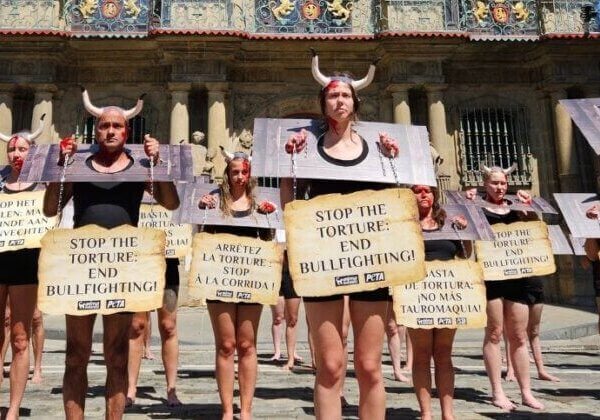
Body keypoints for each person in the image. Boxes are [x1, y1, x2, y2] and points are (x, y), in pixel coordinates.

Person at [43, 89, 179, 420]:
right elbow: (50, 209)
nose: (111, 131)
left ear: (126, 131)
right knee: (75, 354)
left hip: (122, 272)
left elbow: (171, 202)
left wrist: (157, 163)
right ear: (96, 130)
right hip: (80, 271)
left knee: (117, 355)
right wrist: (60, 168)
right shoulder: (77, 165)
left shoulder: (139, 166)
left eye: (117, 126)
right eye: (104, 126)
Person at [281, 50, 398, 419]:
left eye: (346, 94)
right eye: (333, 94)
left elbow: (399, 200)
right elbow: (291, 200)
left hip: (370, 258)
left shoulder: (379, 148)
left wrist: (394, 161)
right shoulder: (306, 146)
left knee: (368, 367)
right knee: (330, 366)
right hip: (322, 261)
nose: (340, 99)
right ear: (323, 102)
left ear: (355, 101)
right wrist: (289, 164)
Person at [198, 148, 276, 420]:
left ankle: (246, 410)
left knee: (247, 344)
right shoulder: (215, 201)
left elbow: (269, 241)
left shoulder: (261, 203)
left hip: (251, 278)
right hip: (219, 279)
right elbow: (202, 234)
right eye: (235, 172)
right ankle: (227, 410)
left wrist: (270, 218)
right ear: (227, 174)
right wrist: (202, 207)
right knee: (226, 345)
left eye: (244, 172)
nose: (240, 177)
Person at [466, 164, 545, 411]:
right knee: (494, 332)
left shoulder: (516, 208)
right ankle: (497, 392)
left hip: (517, 277)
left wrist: (528, 206)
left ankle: (526, 392)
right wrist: (467, 204)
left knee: (519, 336)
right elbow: (465, 231)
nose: (499, 187)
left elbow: (534, 230)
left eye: (502, 183)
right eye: (494, 183)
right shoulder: (477, 208)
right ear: (485, 184)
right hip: (491, 277)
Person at [408, 184, 470, 420]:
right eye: (417, 190)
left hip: (447, 295)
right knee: (422, 355)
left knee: (444, 354)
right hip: (416, 296)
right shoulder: (404, 224)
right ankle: (426, 414)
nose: (424, 195)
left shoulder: (448, 222)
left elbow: (465, 255)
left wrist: (464, 232)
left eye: (428, 190)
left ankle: (448, 414)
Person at [0, 116, 46, 419]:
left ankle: (14, 409)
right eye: (12, 150)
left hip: (26, 265)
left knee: (19, 336)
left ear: (32, 152)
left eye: (22, 149)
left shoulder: (44, 184)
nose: (16, 154)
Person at [127, 257, 181, 407]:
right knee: (137, 326)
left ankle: (171, 388)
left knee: (168, 326)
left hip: (167, 263)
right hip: (139, 262)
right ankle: (131, 388)